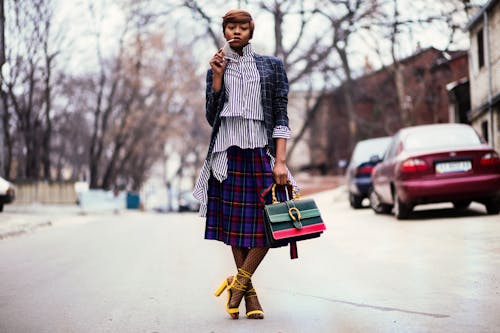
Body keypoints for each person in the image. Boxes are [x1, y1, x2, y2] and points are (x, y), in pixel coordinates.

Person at [193, 8, 297, 320]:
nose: (236, 32)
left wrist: (280, 161)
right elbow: (212, 118)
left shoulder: (272, 67)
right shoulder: (216, 67)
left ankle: (237, 284)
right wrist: (217, 79)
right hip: (227, 153)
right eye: (230, 27)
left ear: (251, 30)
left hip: (260, 154)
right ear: (224, 32)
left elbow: (280, 113)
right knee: (236, 227)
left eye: (242, 27)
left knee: (267, 225)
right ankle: (249, 295)